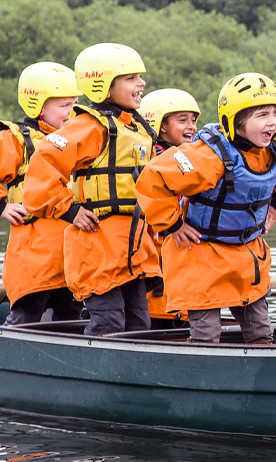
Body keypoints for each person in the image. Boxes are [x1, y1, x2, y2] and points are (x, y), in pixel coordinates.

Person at [136, 73, 276, 344]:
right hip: (202, 255)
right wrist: (172, 224)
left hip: (248, 254)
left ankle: (261, 382)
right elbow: (153, 177)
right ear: (236, 121)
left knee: (261, 333)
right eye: (262, 115)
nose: (272, 122)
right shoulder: (206, 156)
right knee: (206, 335)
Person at [23, 43, 161, 335]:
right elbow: (43, 164)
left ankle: (135, 377)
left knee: (140, 324)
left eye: (139, 77)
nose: (141, 83)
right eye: (131, 78)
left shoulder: (134, 128)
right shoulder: (90, 126)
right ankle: (97, 376)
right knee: (108, 322)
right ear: (104, 86)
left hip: (132, 247)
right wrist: (69, 210)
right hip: (98, 244)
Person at [0, 62, 84, 324]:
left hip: (71, 257)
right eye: (63, 106)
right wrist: (2, 208)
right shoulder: (15, 139)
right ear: (37, 106)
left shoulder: (78, 140)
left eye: (73, 105)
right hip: (35, 255)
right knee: (27, 315)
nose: (71, 113)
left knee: (70, 320)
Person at [137, 88, 202, 328]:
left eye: (193, 120)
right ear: (160, 125)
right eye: (182, 120)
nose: (191, 127)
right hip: (157, 253)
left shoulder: (191, 157)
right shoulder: (150, 157)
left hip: (182, 255)